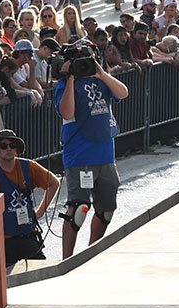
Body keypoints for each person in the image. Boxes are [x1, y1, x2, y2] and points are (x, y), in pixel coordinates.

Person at [55, 41, 129, 258]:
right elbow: (67, 113)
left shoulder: (102, 80)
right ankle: (66, 259)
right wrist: (69, 77)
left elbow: (123, 93)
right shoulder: (64, 84)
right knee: (78, 208)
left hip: (105, 153)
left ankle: (92, 252)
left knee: (106, 209)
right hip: (80, 155)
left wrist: (100, 73)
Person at [0, 129, 59, 266]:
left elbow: (54, 183)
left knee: (41, 274)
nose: (8, 149)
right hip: (5, 239)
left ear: (17, 149)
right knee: (6, 281)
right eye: (3, 146)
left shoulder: (29, 166)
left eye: (12, 145)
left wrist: (40, 212)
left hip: (28, 234)